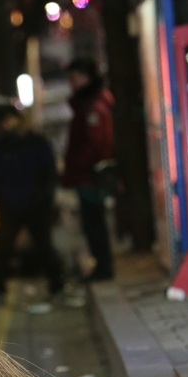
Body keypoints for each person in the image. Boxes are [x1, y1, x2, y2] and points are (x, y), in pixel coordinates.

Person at [0, 109, 64, 305]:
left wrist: (45, 199)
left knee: (44, 246)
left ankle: (58, 287)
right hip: (10, 206)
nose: (7, 124)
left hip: (34, 204)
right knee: (2, 250)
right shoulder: (1, 145)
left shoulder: (34, 143)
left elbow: (48, 173)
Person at [62, 58, 115, 282]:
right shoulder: (88, 104)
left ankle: (103, 267)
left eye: (75, 77)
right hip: (86, 175)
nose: (72, 83)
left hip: (90, 177)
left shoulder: (92, 107)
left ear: (85, 78)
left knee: (94, 222)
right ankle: (101, 266)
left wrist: (79, 167)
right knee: (92, 222)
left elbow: (94, 144)